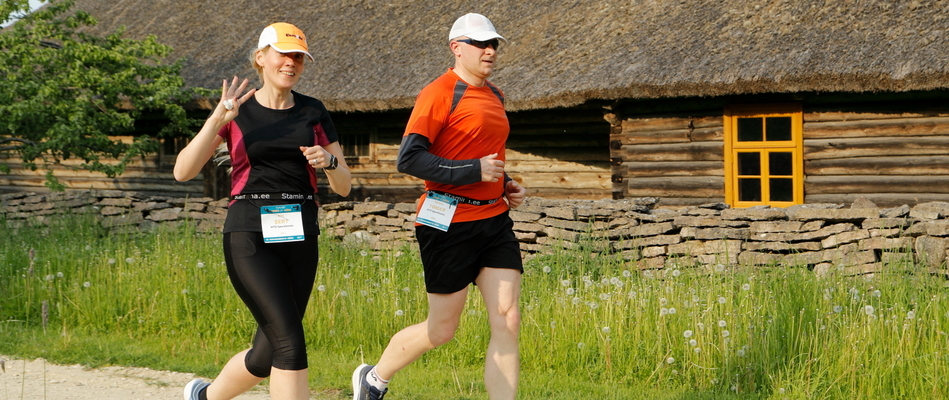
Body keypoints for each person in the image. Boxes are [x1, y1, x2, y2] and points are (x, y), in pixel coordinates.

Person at [352, 12, 526, 400]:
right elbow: (409, 159)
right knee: (442, 329)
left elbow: (483, 152)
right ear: (456, 47)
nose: (489, 50)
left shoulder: (496, 94)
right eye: (480, 44)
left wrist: (506, 182)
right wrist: (474, 170)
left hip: (494, 219)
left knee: (508, 318)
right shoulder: (439, 92)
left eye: (493, 44)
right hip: (447, 220)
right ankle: (374, 377)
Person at [174, 22, 351, 400]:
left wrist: (330, 162)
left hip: (301, 234)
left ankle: (203, 397)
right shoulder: (236, 111)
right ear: (260, 58)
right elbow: (183, 171)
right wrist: (216, 120)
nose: (291, 63)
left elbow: (344, 185)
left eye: (298, 57)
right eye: (283, 54)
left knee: (267, 352)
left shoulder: (314, 111)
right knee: (290, 343)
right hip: (250, 234)